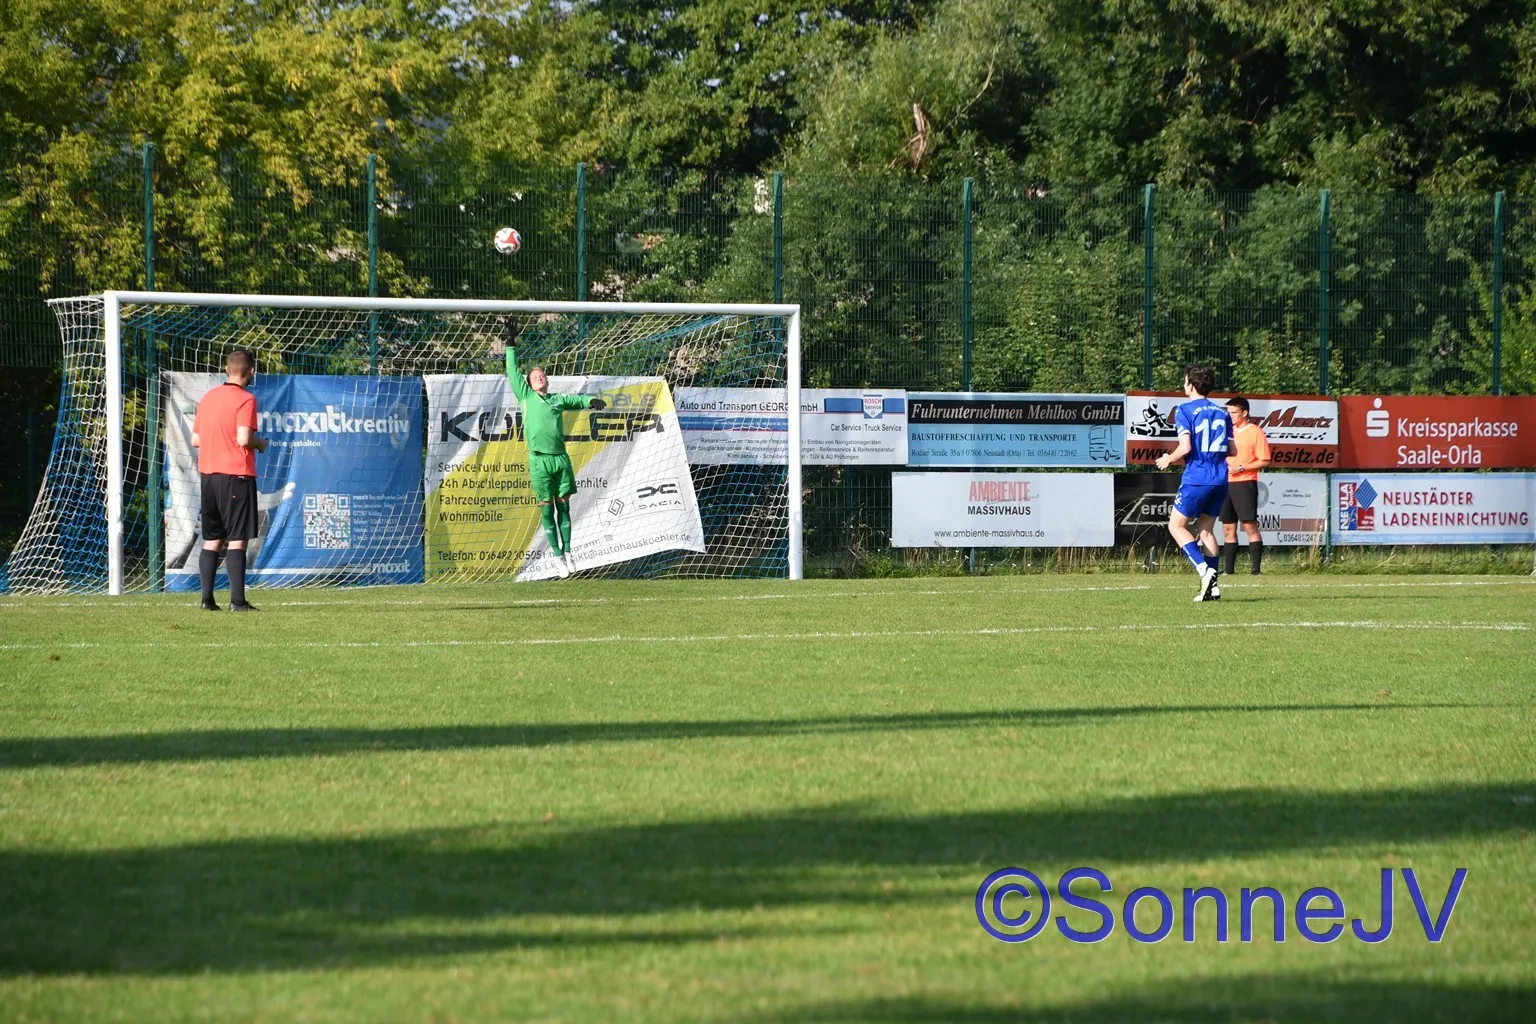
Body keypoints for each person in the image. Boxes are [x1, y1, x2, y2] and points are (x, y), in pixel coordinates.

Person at [499, 318, 605, 578]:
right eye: (535, 376)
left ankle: (568, 552)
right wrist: (510, 342)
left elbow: (577, 400)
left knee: (564, 507)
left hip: (560, 459)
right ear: (529, 383)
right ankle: (557, 556)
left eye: (542, 375)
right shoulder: (526, 396)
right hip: (539, 461)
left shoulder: (557, 399)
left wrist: (591, 400)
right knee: (546, 508)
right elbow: (512, 370)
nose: (539, 377)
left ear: (547, 381)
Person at [191, 348, 269, 611]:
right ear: (252, 371)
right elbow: (244, 439)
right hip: (236, 475)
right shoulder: (245, 399)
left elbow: (196, 440)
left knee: (212, 538)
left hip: (208, 476)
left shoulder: (208, 398)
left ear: (226, 369)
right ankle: (237, 601)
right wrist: (260, 444)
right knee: (237, 538)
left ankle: (207, 600)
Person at [1155, 365, 1232, 602]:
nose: (1183, 385)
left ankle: (1204, 571)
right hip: (1220, 478)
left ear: (1190, 385)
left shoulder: (1184, 410)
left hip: (1197, 477)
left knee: (1176, 526)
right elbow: (1232, 449)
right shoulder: (1222, 412)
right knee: (1206, 530)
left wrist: (1168, 459)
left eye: (1185, 380)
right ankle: (1213, 587)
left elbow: (1186, 447)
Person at [1221, 396, 1272, 576]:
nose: (1230, 415)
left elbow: (1264, 460)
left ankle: (1256, 570)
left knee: (1249, 525)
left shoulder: (1255, 432)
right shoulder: (1226, 431)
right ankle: (1228, 570)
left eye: (1233, 412)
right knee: (1228, 528)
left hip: (1245, 482)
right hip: (1225, 484)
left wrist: (1241, 467)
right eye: (1228, 412)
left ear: (1244, 413)